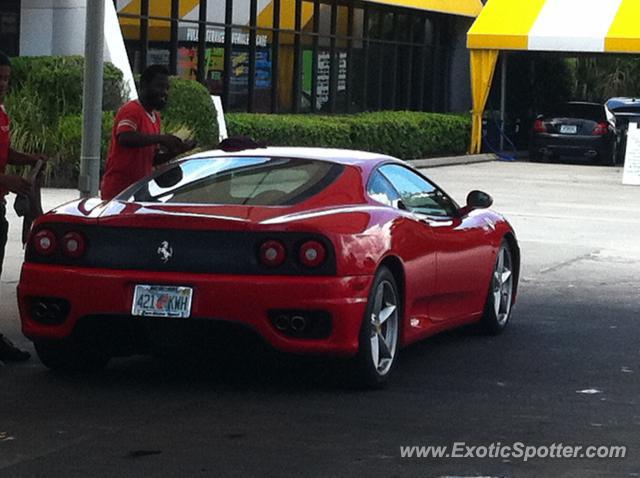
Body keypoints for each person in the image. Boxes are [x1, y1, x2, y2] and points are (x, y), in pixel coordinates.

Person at [0, 50, 48, 362]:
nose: (2, 84)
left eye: (6, 78)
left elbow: (5, 152)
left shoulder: (2, 113)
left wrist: (28, 160)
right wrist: (8, 182)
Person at [100, 65, 196, 200]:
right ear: (144, 85)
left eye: (167, 88)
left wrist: (178, 151)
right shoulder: (131, 110)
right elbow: (125, 137)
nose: (164, 92)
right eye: (159, 86)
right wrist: (161, 139)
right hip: (120, 191)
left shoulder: (155, 117)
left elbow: (152, 159)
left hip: (140, 189)